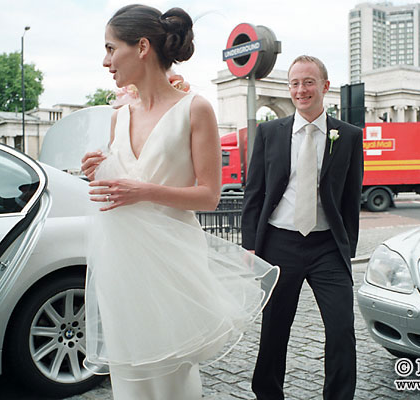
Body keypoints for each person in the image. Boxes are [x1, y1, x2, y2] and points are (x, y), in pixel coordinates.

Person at [80, 5, 278, 400]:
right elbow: (125, 184)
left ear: (140, 47)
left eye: (110, 48)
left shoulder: (195, 108)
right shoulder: (119, 116)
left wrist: (144, 192)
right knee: (130, 375)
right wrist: (99, 169)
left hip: (171, 265)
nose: (105, 61)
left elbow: (209, 195)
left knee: (170, 375)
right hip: (122, 267)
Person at [242, 55, 363, 400]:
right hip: (280, 245)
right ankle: (267, 394)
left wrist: (346, 249)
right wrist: (250, 245)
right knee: (275, 329)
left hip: (327, 247)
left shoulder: (349, 136)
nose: (301, 89)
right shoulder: (269, 133)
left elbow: (352, 197)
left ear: (325, 86)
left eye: (308, 81)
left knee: (341, 329)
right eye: (294, 83)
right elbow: (255, 191)